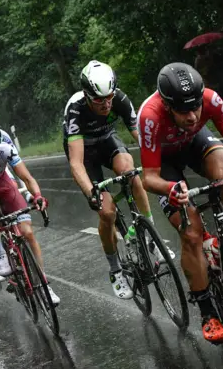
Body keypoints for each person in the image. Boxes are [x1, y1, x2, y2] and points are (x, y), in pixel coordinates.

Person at [137, 62, 223, 343]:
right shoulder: (150, 116)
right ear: (167, 104)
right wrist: (170, 188)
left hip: (193, 145)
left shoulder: (210, 99)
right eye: (183, 110)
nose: (192, 115)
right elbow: (149, 177)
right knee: (191, 232)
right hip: (164, 163)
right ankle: (208, 312)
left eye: (196, 107)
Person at [63, 60, 159, 300]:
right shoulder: (75, 109)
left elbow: (141, 138)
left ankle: (150, 236)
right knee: (107, 212)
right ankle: (115, 269)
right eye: (99, 100)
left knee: (131, 173)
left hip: (107, 141)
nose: (106, 104)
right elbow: (76, 163)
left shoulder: (120, 99)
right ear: (86, 96)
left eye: (109, 98)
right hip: (84, 153)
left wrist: (158, 162)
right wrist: (91, 192)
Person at [0, 121, 60, 304]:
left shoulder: (6, 149)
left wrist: (37, 195)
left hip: (1, 183)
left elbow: (27, 178)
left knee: (28, 232)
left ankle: (44, 284)